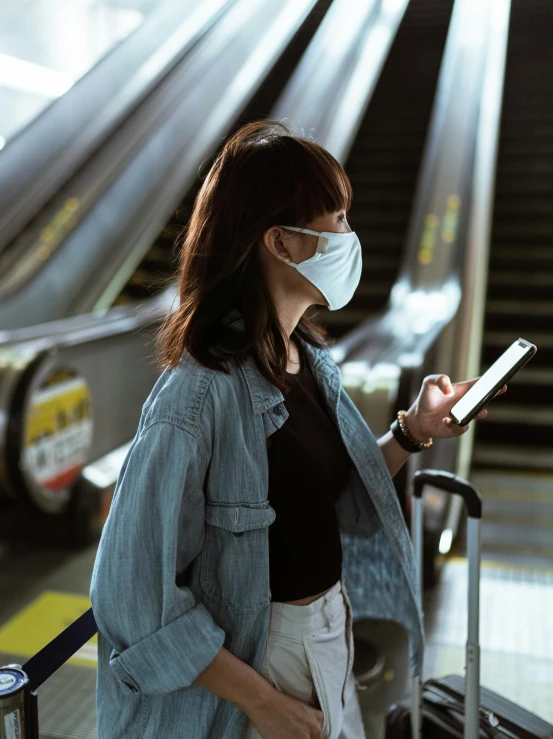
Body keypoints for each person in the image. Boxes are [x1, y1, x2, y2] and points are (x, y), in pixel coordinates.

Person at [90, 120, 505, 739]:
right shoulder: (198, 395)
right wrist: (262, 701)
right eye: (336, 219)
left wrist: (414, 432)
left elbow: (327, 501)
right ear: (280, 243)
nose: (349, 235)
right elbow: (130, 594)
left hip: (325, 639)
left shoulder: (306, 360)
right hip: (252, 665)